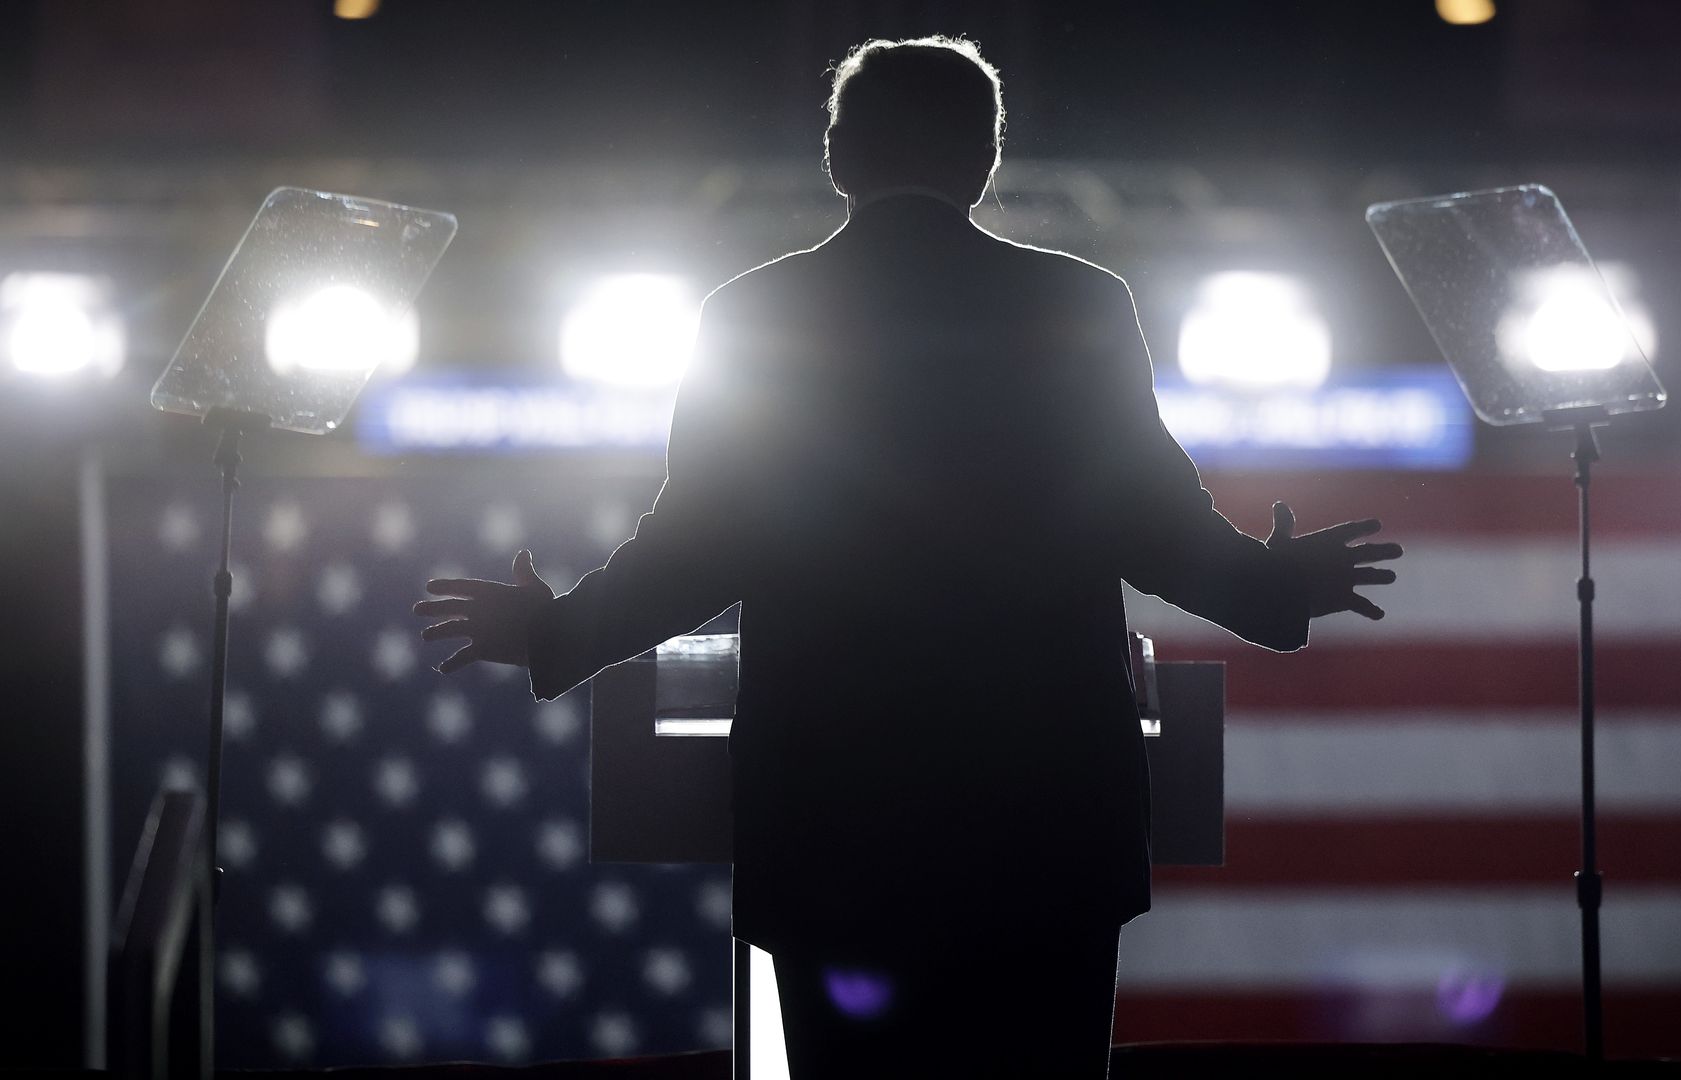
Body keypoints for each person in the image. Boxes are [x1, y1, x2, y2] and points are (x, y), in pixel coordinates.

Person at [415, 35, 1400, 1079]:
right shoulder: (1075, 305)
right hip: (1045, 826)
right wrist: (1274, 589)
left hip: (838, 827)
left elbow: (698, 547)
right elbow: (1151, 523)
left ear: (838, 155)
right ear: (985, 160)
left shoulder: (756, 313)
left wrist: (558, 632)